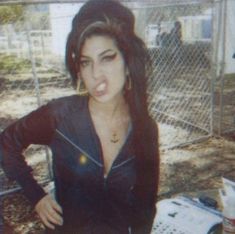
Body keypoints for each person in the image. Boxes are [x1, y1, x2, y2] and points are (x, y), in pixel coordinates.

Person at [0, 0, 160, 233]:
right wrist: (36, 196)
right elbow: (6, 143)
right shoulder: (60, 115)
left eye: (107, 57)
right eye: (86, 62)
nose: (96, 74)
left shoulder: (145, 129)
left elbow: (145, 206)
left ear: (128, 63)